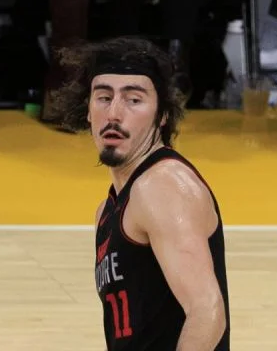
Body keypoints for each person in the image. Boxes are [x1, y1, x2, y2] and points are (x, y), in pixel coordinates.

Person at [49, 37, 230, 350]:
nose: (114, 113)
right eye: (103, 97)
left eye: (134, 100)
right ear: (88, 110)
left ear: (162, 115)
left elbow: (206, 310)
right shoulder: (109, 208)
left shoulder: (161, 186)